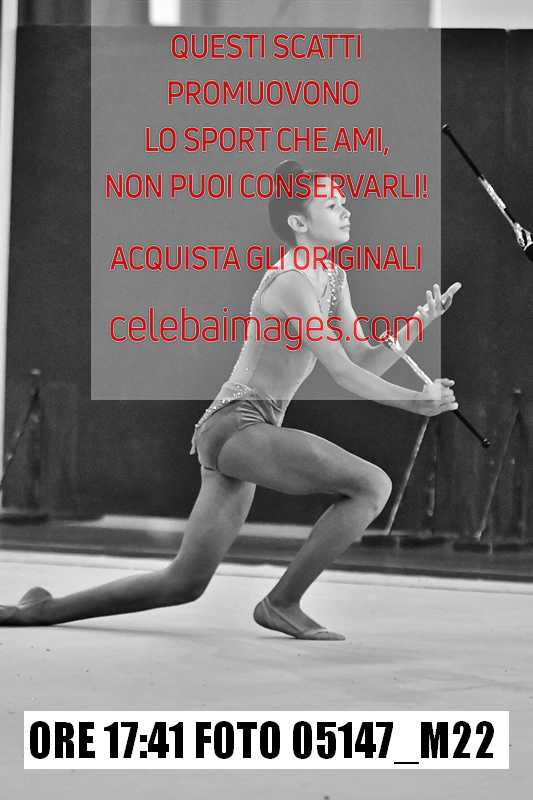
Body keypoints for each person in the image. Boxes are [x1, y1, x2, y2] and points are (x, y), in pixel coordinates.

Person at [0, 161, 460, 639]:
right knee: (372, 485)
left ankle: (40, 610)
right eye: (331, 204)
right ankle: (282, 603)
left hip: (242, 433)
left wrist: (417, 323)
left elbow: (362, 359)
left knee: (183, 582)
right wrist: (415, 402)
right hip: (239, 424)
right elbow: (342, 373)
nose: (346, 211)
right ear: (298, 222)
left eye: (343, 202)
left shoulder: (332, 276)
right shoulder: (291, 282)